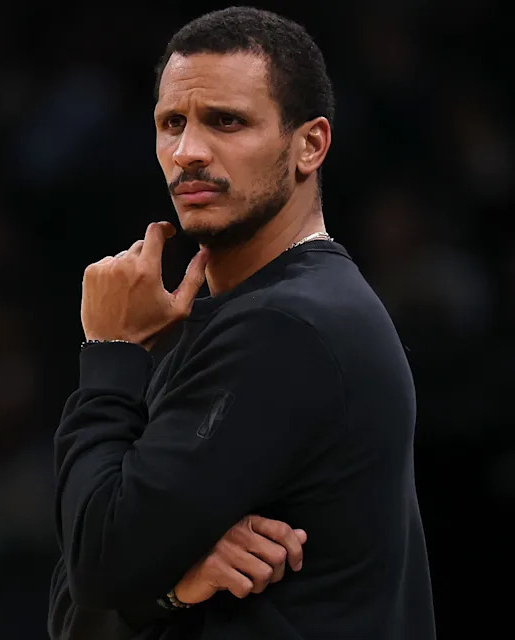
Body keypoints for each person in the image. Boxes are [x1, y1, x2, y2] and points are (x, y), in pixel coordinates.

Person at [48, 6, 435, 639]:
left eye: (226, 121)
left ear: (310, 144)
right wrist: (172, 589)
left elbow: (95, 563)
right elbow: (75, 611)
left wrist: (111, 349)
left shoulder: (289, 325)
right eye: (171, 123)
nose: (188, 152)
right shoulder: (245, 318)